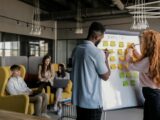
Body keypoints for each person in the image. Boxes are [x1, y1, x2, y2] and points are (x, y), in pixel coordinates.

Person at [71, 22, 111, 120]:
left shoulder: (76, 49)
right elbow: (106, 76)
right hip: (92, 104)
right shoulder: (97, 53)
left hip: (79, 101)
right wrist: (106, 59)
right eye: (101, 37)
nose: (101, 40)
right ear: (95, 36)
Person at [124, 29, 160, 120]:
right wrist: (135, 52)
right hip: (156, 93)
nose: (141, 43)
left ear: (148, 44)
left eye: (143, 41)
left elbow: (131, 66)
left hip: (151, 93)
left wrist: (129, 52)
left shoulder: (147, 61)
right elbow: (144, 62)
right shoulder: (154, 58)